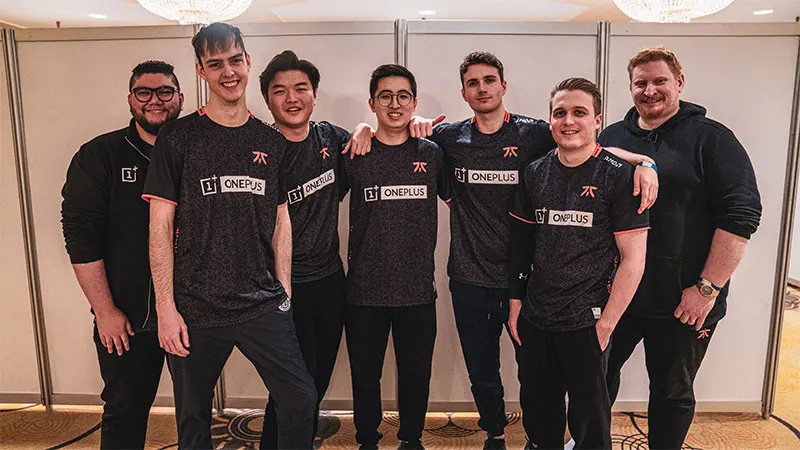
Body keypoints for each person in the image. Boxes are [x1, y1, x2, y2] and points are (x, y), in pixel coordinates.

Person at [355, 51, 658, 449]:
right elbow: (396, 133)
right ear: (464, 93)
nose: (482, 89)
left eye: (489, 81)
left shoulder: (534, 133)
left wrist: (644, 162)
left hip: (529, 284)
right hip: (469, 278)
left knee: (535, 378)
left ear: (503, 86)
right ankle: (495, 433)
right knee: (483, 373)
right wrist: (363, 127)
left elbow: (584, 144)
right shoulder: (449, 138)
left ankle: (540, 438)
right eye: (473, 83)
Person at [142, 23, 316, 449]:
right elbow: (159, 226)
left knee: (300, 399)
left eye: (235, 60)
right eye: (215, 63)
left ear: (248, 62)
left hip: (261, 303)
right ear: (201, 71)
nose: (228, 72)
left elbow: (281, 220)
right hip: (194, 307)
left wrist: (285, 290)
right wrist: (166, 309)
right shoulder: (177, 138)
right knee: (193, 416)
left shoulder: (270, 140)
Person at [598, 47, 762, 449]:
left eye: (660, 81)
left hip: (684, 300)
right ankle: (590, 442)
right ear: (630, 87)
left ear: (680, 83)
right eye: (640, 83)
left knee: (671, 390)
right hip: (617, 294)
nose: (649, 90)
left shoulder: (713, 139)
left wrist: (707, 288)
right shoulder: (613, 136)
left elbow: (741, 217)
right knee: (595, 378)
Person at [508, 77, 649, 450]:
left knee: (590, 424)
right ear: (550, 120)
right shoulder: (534, 172)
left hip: (587, 322)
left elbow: (633, 261)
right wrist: (516, 301)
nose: (568, 121)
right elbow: (521, 244)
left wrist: (607, 324)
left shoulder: (620, 176)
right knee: (539, 417)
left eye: (579, 112)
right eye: (560, 113)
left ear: (597, 120)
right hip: (536, 317)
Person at [61, 60, 183, 449]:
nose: (155, 100)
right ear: (130, 99)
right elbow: (80, 237)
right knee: (125, 411)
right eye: (144, 92)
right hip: (126, 319)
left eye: (164, 91)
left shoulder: (195, 152)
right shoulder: (100, 155)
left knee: (195, 411)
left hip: (191, 314)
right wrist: (105, 311)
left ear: (180, 98)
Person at [257, 50, 370, 449]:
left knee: (316, 381)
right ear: (267, 99)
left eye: (301, 88)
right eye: (280, 90)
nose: (292, 98)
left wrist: (363, 127)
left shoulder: (329, 138)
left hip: (330, 281)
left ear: (315, 94)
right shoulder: (259, 149)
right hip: (283, 287)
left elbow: (365, 139)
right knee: (292, 389)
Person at [342, 64, 447, 450]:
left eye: (403, 96)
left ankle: (411, 439)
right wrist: (359, 129)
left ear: (414, 103)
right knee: (365, 375)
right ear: (372, 103)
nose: (395, 104)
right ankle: (367, 440)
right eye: (385, 96)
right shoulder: (355, 152)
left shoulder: (431, 153)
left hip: (417, 290)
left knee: (416, 374)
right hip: (364, 291)